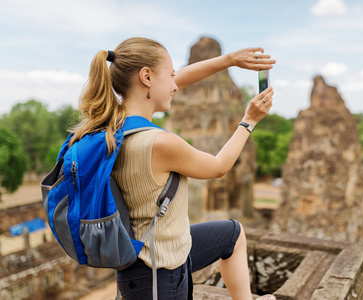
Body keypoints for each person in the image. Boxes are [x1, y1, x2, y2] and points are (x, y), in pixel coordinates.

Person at [70, 37, 276, 300]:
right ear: (146, 77)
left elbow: (173, 83)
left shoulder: (109, 126)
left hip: (146, 257)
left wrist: (229, 60)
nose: (176, 85)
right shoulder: (160, 143)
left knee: (232, 234)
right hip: (158, 277)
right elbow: (219, 166)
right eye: (171, 75)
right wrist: (249, 121)